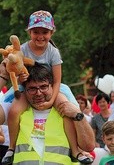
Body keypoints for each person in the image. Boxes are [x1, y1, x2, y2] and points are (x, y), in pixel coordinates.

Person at [1, 10, 93, 164]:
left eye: (45, 32)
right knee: (14, 111)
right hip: (25, 87)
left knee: (67, 110)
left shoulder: (53, 52)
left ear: (52, 32)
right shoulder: (22, 49)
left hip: (55, 88)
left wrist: (51, 102)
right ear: (29, 32)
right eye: (36, 32)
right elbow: (17, 70)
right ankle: (11, 148)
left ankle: (75, 150)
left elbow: (57, 81)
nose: (40, 36)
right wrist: (12, 76)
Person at [7, 63, 95, 164]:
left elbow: (89, 146)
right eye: (32, 89)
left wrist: (78, 115)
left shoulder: (67, 114)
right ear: (24, 90)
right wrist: (3, 76)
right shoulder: (17, 115)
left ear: (53, 87)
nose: (38, 93)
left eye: (43, 87)